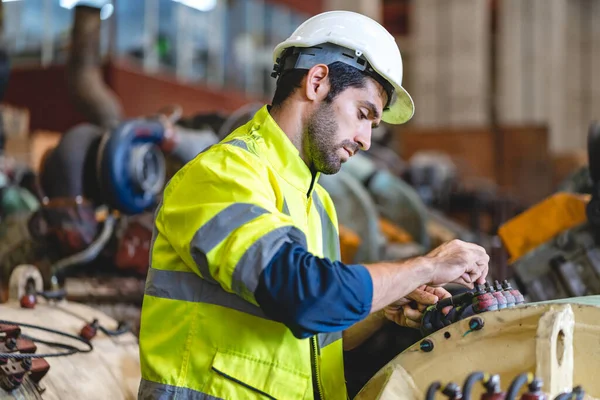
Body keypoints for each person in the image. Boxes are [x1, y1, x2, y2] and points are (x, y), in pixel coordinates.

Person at [137, 10, 489, 400]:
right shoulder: (221, 176)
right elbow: (304, 295)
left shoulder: (315, 200)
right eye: (363, 114)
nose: (367, 139)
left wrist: (386, 302)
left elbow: (316, 338)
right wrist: (426, 266)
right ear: (318, 81)